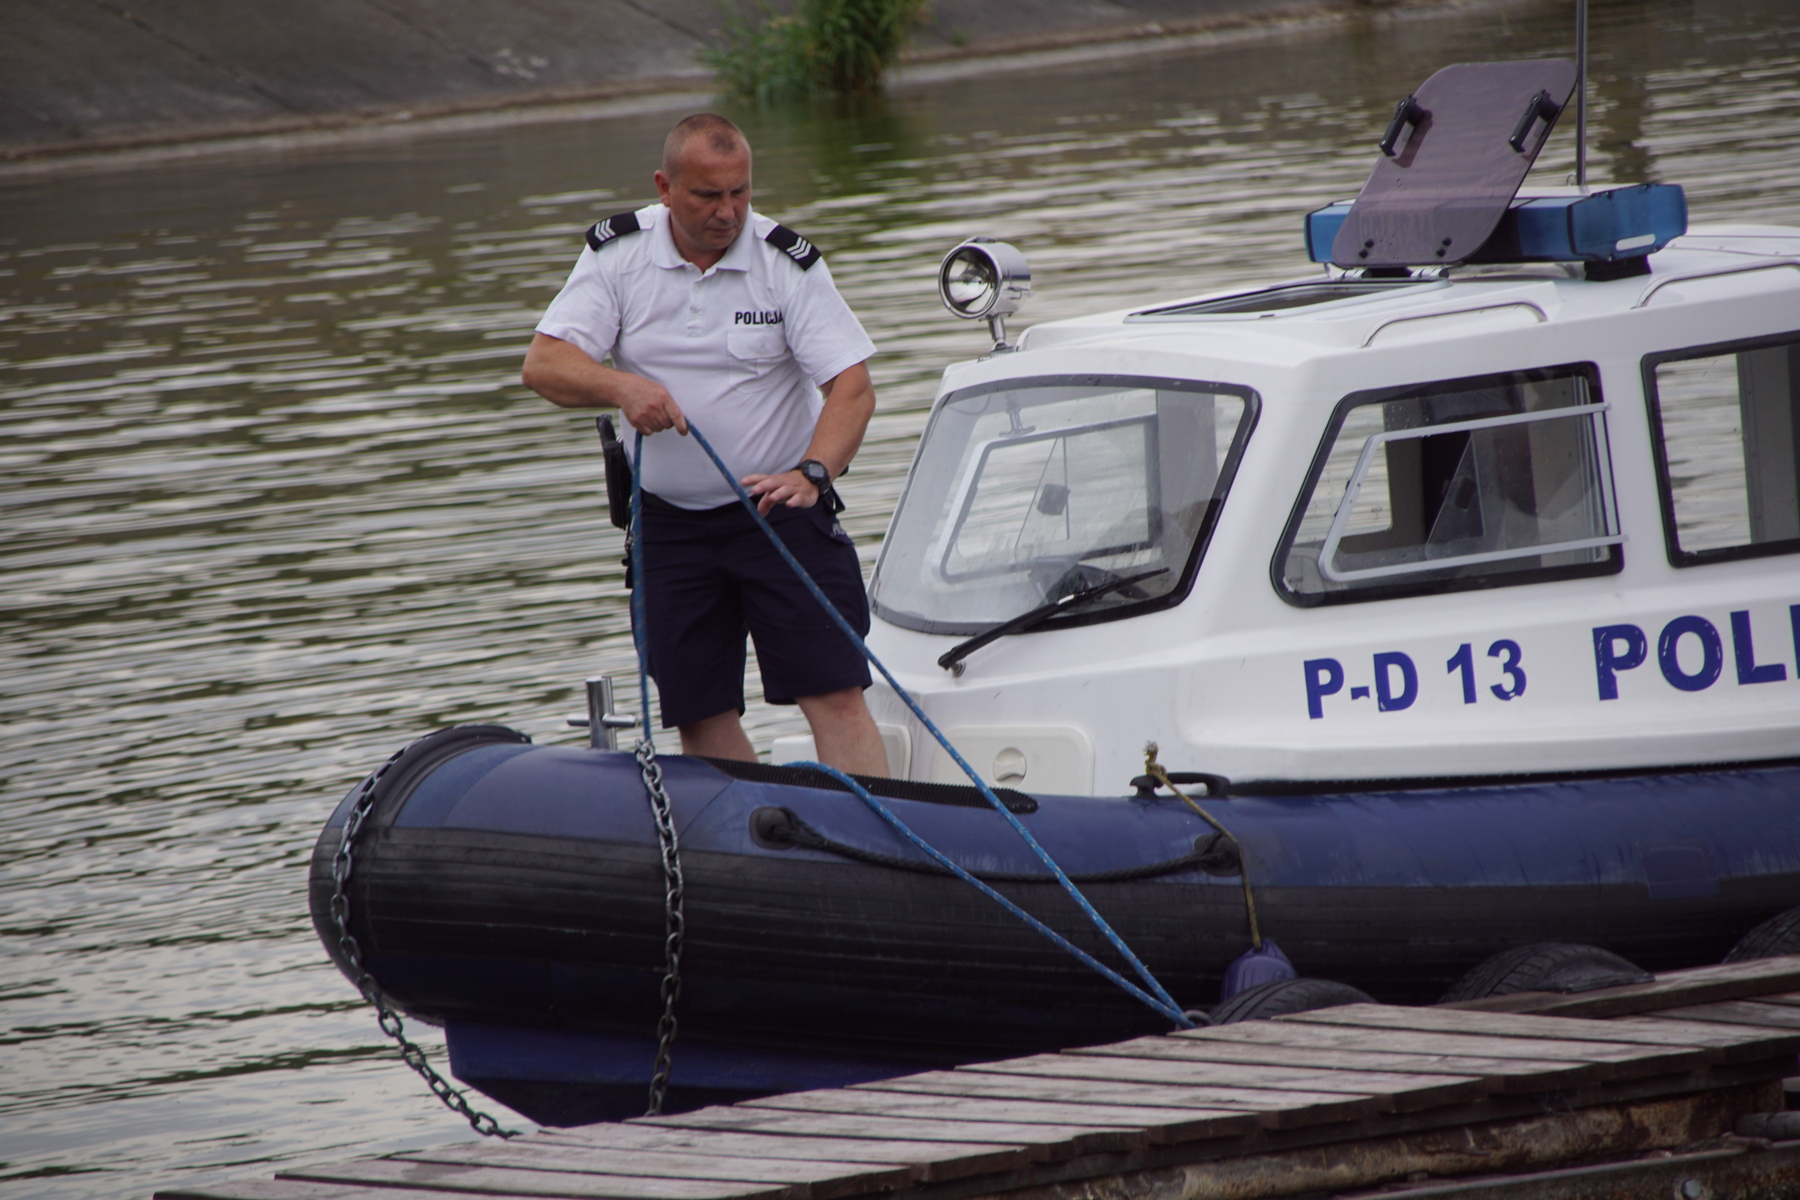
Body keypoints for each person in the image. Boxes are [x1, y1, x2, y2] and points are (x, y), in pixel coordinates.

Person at [521, 113, 888, 777]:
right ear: (665, 187)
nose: (728, 213)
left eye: (740, 193)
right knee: (698, 708)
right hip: (668, 526)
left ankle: (871, 857)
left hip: (780, 514)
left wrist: (813, 473)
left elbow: (853, 388)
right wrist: (622, 388)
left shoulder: (783, 261)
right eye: (708, 196)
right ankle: (754, 852)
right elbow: (544, 366)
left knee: (833, 691)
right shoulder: (618, 256)